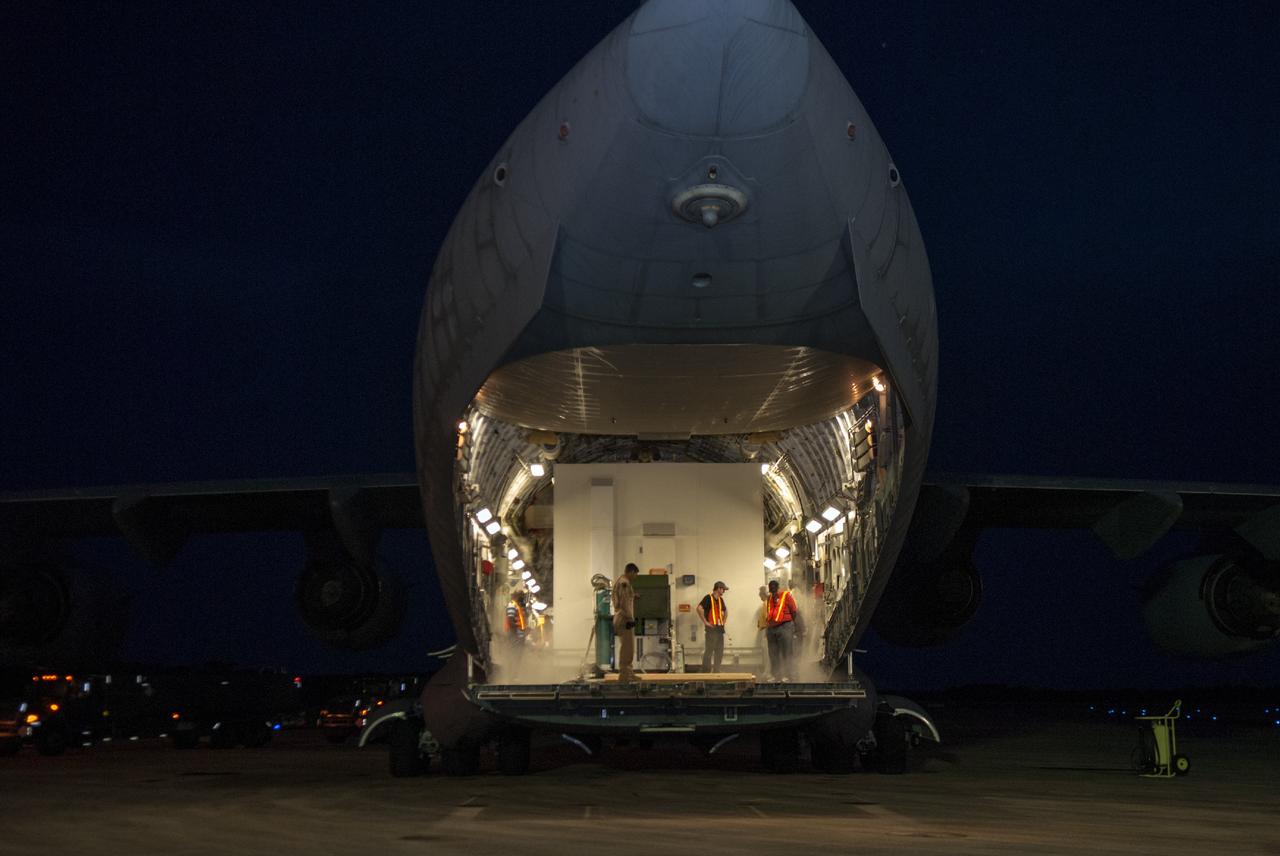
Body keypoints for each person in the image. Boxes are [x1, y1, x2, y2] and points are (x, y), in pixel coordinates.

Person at [764, 579, 800, 682]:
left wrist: (791, 624)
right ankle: (776, 676)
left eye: (775, 591)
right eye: (772, 591)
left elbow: (793, 610)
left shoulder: (786, 596)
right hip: (772, 629)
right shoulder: (769, 598)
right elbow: (769, 612)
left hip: (785, 626)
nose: (773, 593)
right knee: (773, 654)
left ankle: (788, 676)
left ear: (778, 589)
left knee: (787, 652)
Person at [612, 562, 639, 681]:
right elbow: (624, 603)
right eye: (635, 574)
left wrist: (634, 596)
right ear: (631, 572)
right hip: (624, 619)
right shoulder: (625, 583)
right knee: (627, 648)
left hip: (621, 617)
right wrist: (630, 618)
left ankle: (628, 673)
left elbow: (625, 598)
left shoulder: (620, 581)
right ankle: (624, 675)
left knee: (628, 647)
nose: (635, 577)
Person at [696, 581, 729, 673]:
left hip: (719, 630)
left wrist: (723, 622)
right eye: (723, 589)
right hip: (711, 630)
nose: (724, 591)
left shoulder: (720, 600)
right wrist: (705, 622)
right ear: (718, 588)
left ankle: (716, 670)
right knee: (709, 651)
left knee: (719, 652)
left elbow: (725, 611)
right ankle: (706, 672)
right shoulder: (708, 598)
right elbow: (699, 608)